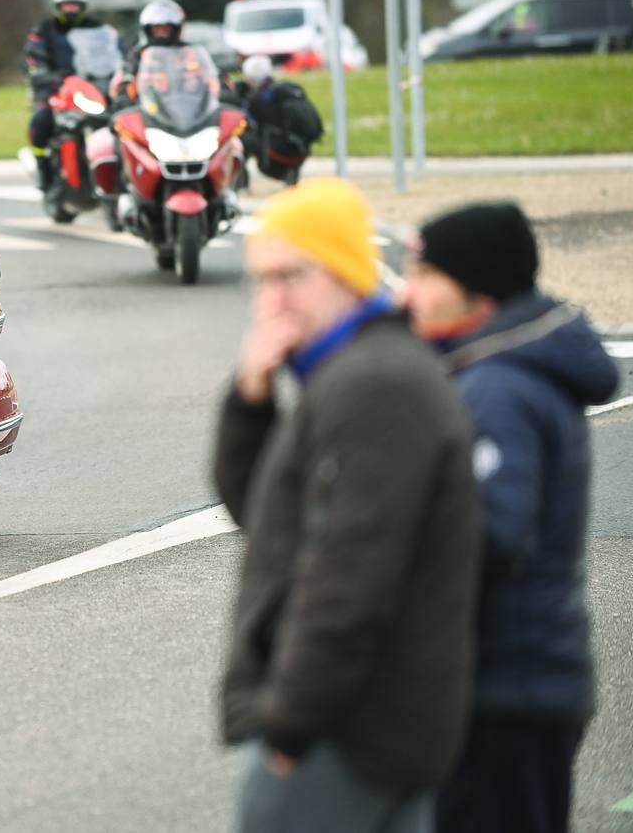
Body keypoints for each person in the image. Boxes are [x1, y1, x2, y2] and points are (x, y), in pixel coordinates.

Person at [215, 177, 482, 833]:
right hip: (369, 724)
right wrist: (251, 394)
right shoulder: (345, 373)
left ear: (342, 272)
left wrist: (288, 729)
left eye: (290, 276)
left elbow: (346, 582)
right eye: (261, 280)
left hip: (350, 731)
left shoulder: (375, 387)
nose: (271, 301)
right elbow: (264, 514)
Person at [402, 204, 620, 833]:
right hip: (517, 684)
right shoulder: (499, 368)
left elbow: (492, 536)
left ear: (477, 286)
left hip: (506, 689)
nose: (411, 290)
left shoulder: (498, 389)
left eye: (425, 274)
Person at [23, 0, 112, 190]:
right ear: (58, 6)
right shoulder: (43, 30)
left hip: (92, 89)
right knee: (40, 121)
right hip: (55, 90)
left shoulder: (100, 30)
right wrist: (44, 74)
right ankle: (43, 164)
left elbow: (113, 53)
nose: (71, 9)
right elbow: (33, 58)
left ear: (83, 6)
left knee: (116, 121)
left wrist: (114, 73)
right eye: (66, 5)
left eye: (75, 5)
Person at [236, 55, 323, 187]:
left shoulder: (258, 98)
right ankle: (291, 177)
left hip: (276, 155)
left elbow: (251, 122)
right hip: (300, 151)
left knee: (239, 140)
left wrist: (242, 97)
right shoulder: (285, 91)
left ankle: (241, 183)